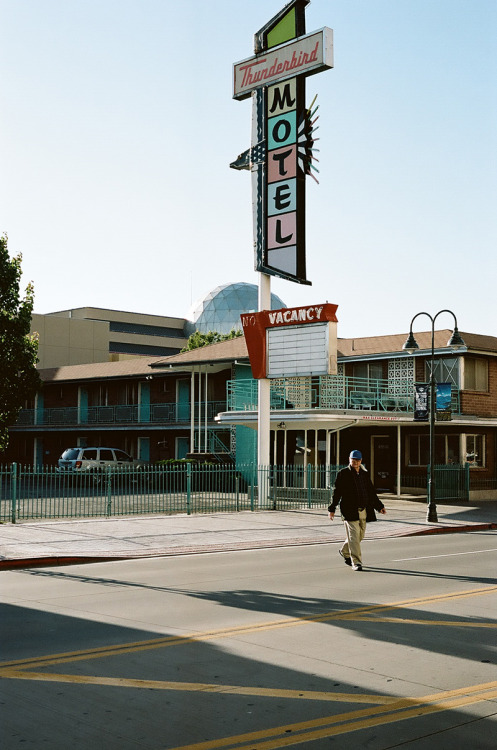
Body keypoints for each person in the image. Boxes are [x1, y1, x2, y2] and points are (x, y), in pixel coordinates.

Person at [328, 450, 386, 571]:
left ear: (361, 461)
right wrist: (332, 508)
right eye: (353, 460)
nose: (355, 462)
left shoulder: (364, 474)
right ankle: (356, 562)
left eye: (358, 460)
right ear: (349, 459)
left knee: (360, 535)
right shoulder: (343, 474)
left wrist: (379, 506)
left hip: (363, 510)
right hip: (349, 511)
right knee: (354, 537)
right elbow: (336, 492)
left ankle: (344, 551)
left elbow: (371, 492)